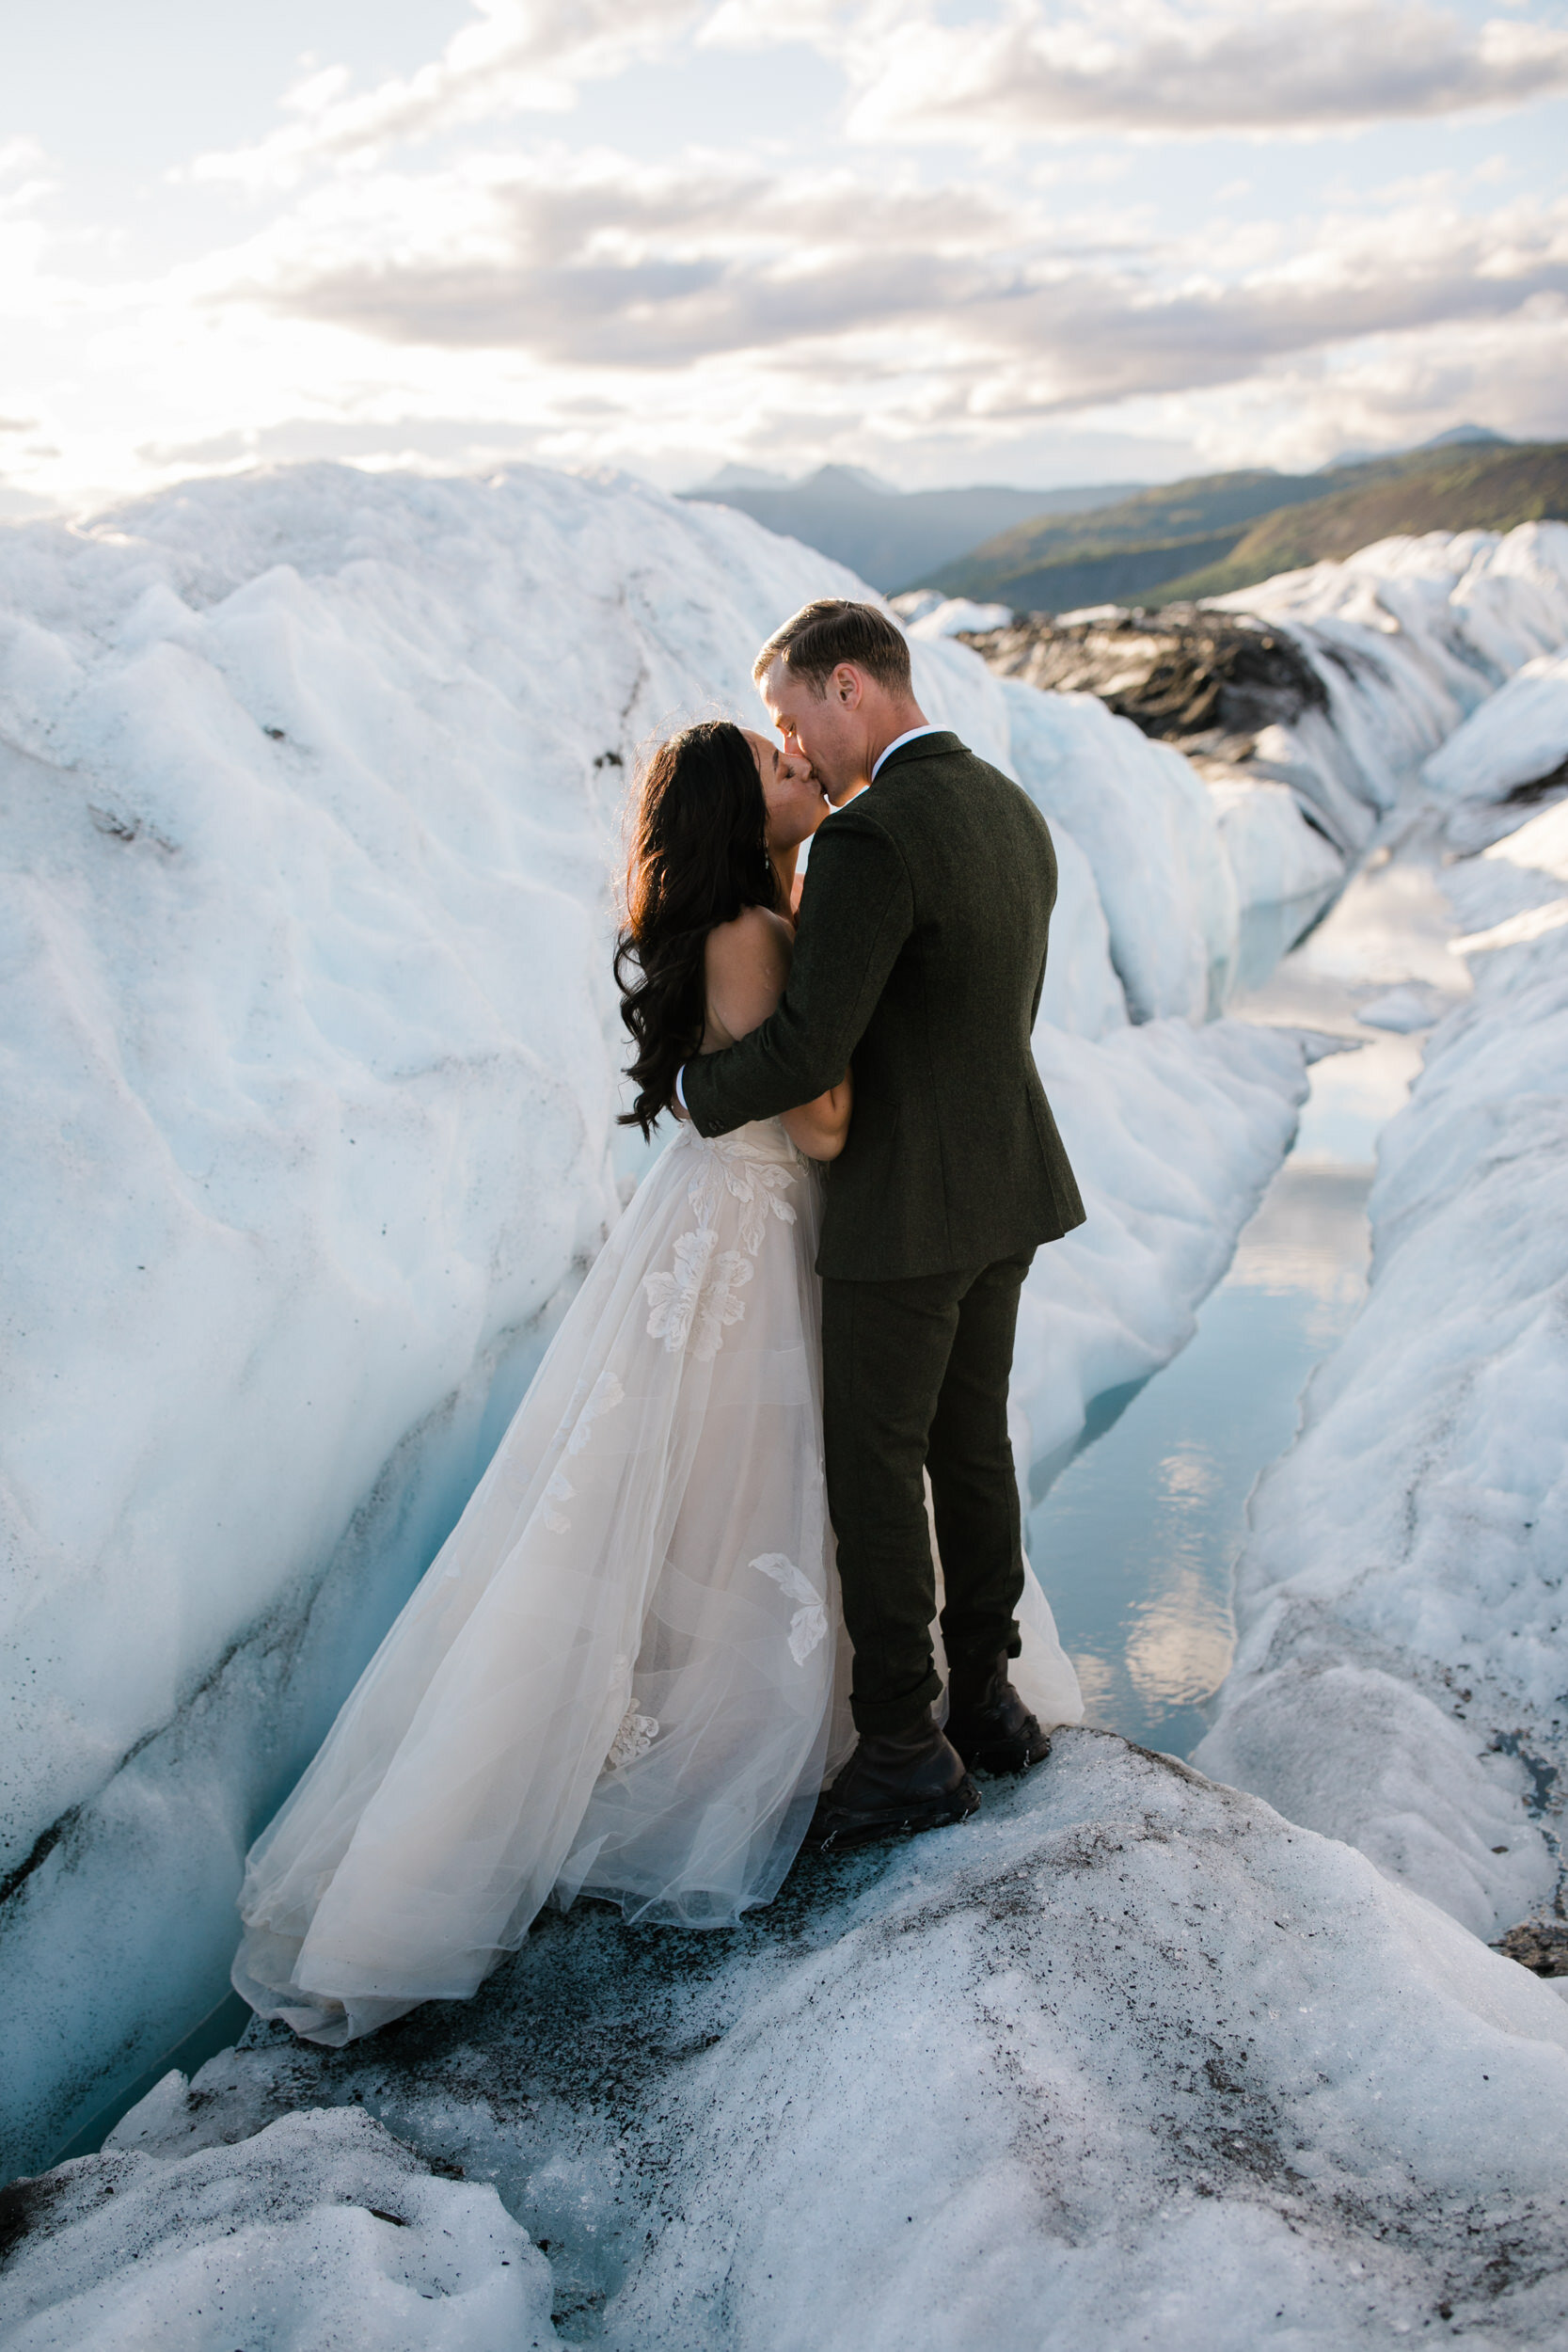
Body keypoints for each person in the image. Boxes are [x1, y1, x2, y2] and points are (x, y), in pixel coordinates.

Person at [679, 599, 1086, 1848]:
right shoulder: (1010, 812)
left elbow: (810, 1048)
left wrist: (693, 1090)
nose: (790, 741)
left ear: (846, 683)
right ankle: (988, 1702)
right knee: (970, 1452)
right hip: (1008, 1189)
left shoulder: (872, 838)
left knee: (875, 1468)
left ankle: (904, 1747)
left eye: (790, 712)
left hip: (904, 1211)